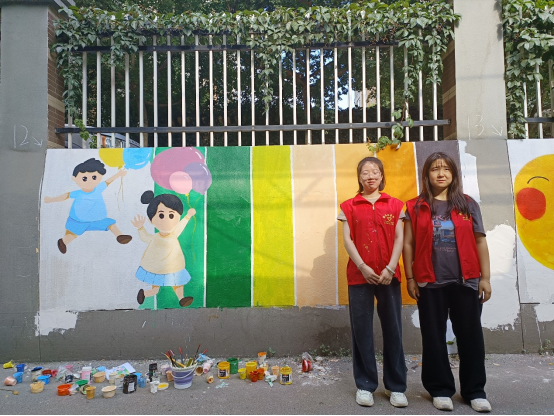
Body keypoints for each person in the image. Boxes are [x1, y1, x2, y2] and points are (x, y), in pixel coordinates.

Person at [403, 152, 492, 413]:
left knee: (471, 337)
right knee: (433, 336)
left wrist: (485, 278)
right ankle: (440, 389)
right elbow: (408, 244)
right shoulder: (415, 206)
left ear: (453, 174)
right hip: (429, 281)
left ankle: (475, 391)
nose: (440, 173)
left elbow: (480, 240)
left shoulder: (467, 204)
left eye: (446, 169)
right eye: (434, 169)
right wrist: (410, 277)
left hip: (466, 280)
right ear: (427, 175)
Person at [338, 157, 408, 409]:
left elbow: (400, 238)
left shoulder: (395, 205)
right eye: (365, 172)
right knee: (362, 331)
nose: (370, 176)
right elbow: (348, 240)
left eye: (375, 172)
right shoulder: (349, 206)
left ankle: (396, 386)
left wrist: (391, 267)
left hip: (390, 276)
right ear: (359, 177)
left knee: (393, 329)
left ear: (381, 176)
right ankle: (365, 385)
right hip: (359, 277)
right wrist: (363, 267)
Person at [44, 158, 132, 254]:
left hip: (97, 220)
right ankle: (63, 242)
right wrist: (51, 199)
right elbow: (65, 196)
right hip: (78, 221)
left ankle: (119, 236)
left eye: (94, 177)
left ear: (100, 177)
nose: (90, 181)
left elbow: (108, 181)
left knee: (111, 224)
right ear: (74, 179)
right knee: (72, 234)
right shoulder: (78, 193)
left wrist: (119, 174)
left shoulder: (98, 188)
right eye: (84, 178)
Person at [131, 191, 196, 308]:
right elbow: (145, 237)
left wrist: (188, 216)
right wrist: (140, 228)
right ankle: (144, 294)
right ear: (151, 220)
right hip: (157, 267)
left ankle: (182, 298)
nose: (166, 219)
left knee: (177, 283)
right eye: (161, 215)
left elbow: (180, 226)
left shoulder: (173, 234)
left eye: (171, 215)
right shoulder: (155, 238)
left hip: (173, 267)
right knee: (156, 288)